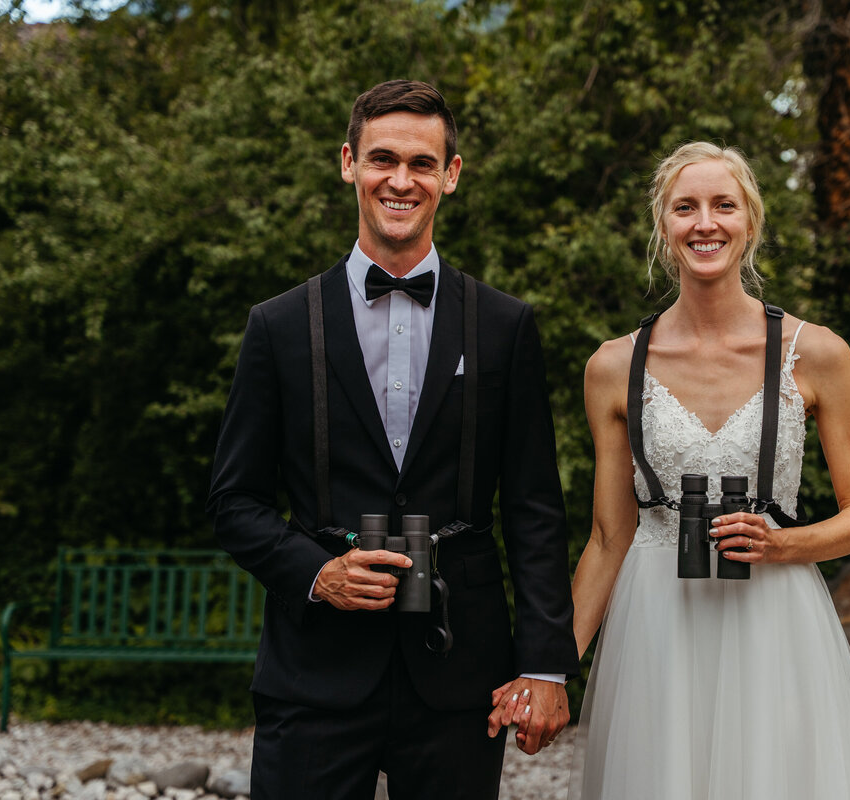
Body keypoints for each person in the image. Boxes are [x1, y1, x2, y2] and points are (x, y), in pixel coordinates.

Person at [207, 79, 579, 800]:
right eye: (382, 159)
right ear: (348, 163)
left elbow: (534, 508)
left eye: (420, 162)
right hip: (313, 669)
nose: (400, 180)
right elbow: (233, 501)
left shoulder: (506, 326)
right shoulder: (279, 326)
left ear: (451, 173)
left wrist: (545, 665)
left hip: (460, 667)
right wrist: (319, 573)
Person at [566, 141, 850, 799]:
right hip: (657, 622)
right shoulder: (613, 367)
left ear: (750, 221)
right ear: (664, 228)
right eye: (685, 207)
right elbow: (610, 538)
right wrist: (548, 673)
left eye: (724, 205)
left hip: (773, 618)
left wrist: (784, 544)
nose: (705, 223)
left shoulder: (819, 354)